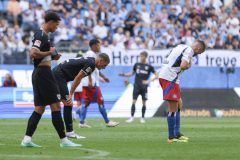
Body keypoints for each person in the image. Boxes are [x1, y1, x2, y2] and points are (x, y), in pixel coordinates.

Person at [21, 11, 81, 148]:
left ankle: (26, 139)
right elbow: (33, 53)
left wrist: (52, 57)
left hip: (40, 73)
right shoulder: (41, 34)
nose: (57, 28)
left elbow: (38, 56)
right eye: (56, 24)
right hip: (44, 75)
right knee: (55, 106)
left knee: (39, 109)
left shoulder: (44, 36)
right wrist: (49, 52)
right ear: (51, 22)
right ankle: (64, 141)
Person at [159, 40, 206, 143]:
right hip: (169, 77)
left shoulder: (181, 46)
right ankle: (171, 138)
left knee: (179, 104)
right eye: (200, 53)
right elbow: (183, 66)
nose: (197, 55)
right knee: (173, 107)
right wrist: (189, 65)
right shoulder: (189, 50)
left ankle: (177, 133)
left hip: (171, 77)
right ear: (198, 49)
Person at [79, 39, 119, 128]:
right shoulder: (90, 54)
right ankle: (107, 121)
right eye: (98, 45)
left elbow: (95, 70)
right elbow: (87, 67)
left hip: (92, 82)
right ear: (94, 45)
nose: (99, 47)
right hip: (91, 83)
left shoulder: (94, 55)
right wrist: (90, 80)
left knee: (87, 103)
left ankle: (81, 122)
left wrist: (103, 77)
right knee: (100, 101)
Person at [119, 51, 158, 123]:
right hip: (136, 86)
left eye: (142, 56)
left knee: (144, 102)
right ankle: (131, 117)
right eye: (140, 56)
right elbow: (131, 73)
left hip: (144, 87)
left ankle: (142, 118)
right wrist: (124, 74)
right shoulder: (137, 65)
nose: (140, 58)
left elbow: (156, 75)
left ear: (145, 57)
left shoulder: (149, 66)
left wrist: (149, 81)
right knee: (133, 101)